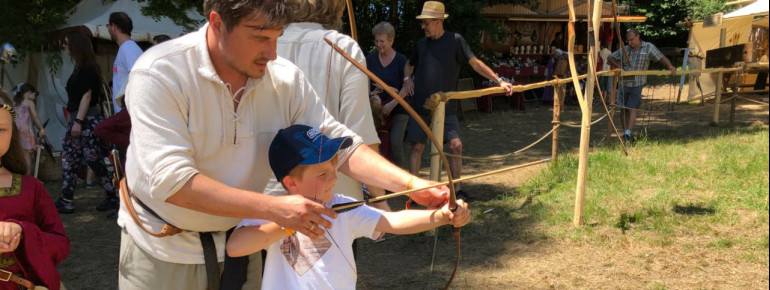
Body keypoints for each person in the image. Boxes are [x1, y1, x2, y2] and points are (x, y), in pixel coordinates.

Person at [118, 1, 449, 288]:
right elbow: (170, 181)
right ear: (218, 24)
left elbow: (342, 146)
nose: (272, 53)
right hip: (164, 247)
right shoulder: (161, 72)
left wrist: (410, 185)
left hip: (243, 243)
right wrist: (276, 209)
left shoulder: (283, 78)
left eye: (276, 37)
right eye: (260, 36)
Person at [225, 124, 470, 289]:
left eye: (333, 169)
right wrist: (287, 225)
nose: (333, 178)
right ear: (291, 182)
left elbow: (392, 222)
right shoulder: (276, 210)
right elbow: (235, 247)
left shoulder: (342, 206)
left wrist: (441, 216)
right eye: (322, 174)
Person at [266, 0, 384, 206]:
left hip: (269, 198)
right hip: (333, 198)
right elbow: (361, 131)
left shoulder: (262, 42)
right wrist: (379, 197)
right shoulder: (343, 48)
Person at [402, 1, 513, 202]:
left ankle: (457, 190)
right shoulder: (420, 45)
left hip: (446, 107)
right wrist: (407, 79)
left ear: (437, 22)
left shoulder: (455, 41)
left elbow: (475, 63)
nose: (423, 26)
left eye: (425, 22)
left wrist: (498, 80)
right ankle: (414, 193)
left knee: (455, 146)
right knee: (417, 147)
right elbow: (408, 65)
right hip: (421, 105)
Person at [0, 91, 70, 290]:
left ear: (12, 132)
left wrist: (23, 233)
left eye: (0, 129)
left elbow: (60, 244)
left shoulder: (32, 188)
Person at [54, 31, 117, 214]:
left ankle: (111, 196)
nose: (63, 46)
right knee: (72, 159)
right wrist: (74, 121)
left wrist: (78, 121)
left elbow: (87, 95)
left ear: (76, 45)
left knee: (93, 159)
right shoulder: (80, 67)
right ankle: (66, 198)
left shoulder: (87, 68)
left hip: (86, 120)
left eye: (66, 43)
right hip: (80, 120)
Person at [608, 28, 676, 142]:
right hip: (623, 83)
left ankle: (628, 134)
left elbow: (661, 57)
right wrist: (617, 66)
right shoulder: (625, 49)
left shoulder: (648, 47)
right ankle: (626, 134)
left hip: (637, 83)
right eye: (628, 40)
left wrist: (670, 66)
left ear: (638, 36)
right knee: (623, 109)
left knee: (631, 108)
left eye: (632, 40)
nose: (630, 43)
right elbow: (610, 57)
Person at [366, 21, 409, 169]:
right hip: (376, 109)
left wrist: (391, 104)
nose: (379, 44)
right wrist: (371, 94)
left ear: (391, 40)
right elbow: (365, 84)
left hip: (397, 108)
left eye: (382, 41)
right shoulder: (370, 59)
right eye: (376, 41)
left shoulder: (401, 60)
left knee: (395, 143)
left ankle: (404, 183)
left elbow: (406, 88)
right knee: (375, 143)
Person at [107, 12, 143, 114]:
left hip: (128, 114)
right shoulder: (127, 48)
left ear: (113, 26)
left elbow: (138, 77)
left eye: (108, 26)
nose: (108, 29)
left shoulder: (128, 48)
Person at [11, 83, 45, 175]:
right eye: (34, 94)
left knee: (18, 156)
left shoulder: (14, 102)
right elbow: (35, 116)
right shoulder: (29, 102)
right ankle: (28, 181)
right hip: (26, 131)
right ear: (30, 92)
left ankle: (18, 179)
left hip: (16, 131)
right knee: (27, 158)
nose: (34, 96)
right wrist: (42, 129)